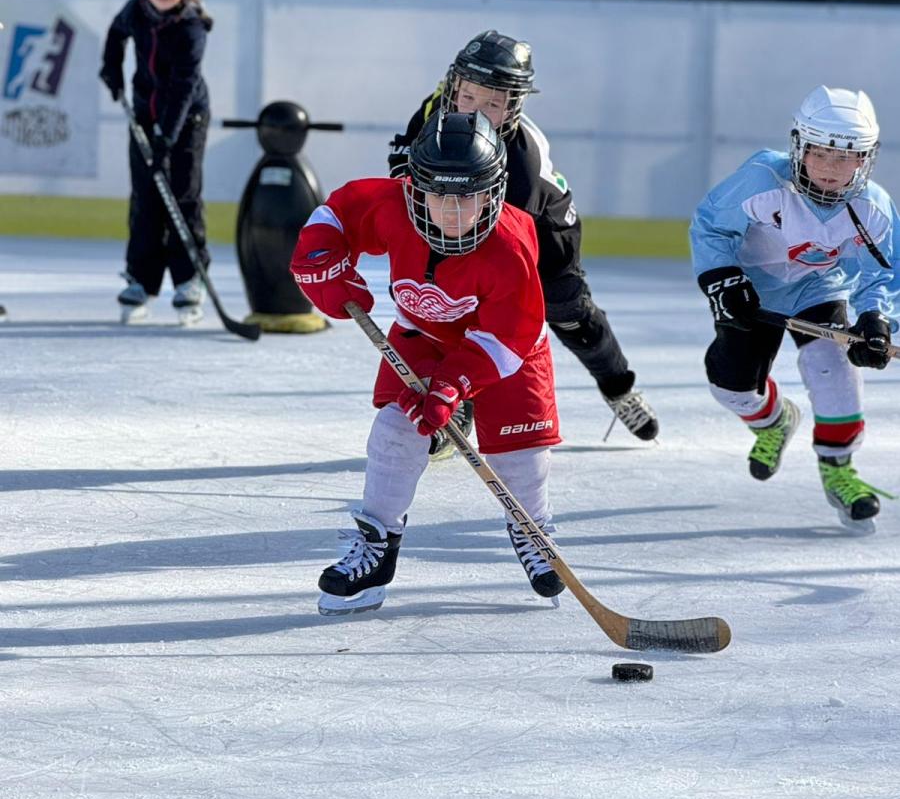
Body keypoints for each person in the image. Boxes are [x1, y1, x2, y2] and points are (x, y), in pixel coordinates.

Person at [290, 110, 565, 616]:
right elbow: (338, 212)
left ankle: (532, 528)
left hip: (503, 350)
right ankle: (376, 550)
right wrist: (319, 259)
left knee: (519, 451)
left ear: (494, 192)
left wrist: (452, 385)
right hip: (422, 335)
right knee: (396, 431)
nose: (455, 212)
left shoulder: (511, 244)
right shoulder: (392, 207)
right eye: (441, 196)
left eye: (469, 196)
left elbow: (511, 334)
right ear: (415, 189)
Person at [387, 30, 659, 457]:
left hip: (540, 230)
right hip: (461, 217)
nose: (477, 109)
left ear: (514, 105)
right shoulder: (434, 110)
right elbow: (402, 172)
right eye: (470, 95)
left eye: (494, 103)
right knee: (452, 298)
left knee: (570, 315)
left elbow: (500, 253)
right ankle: (461, 403)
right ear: (454, 85)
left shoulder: (524, 163)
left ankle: (617, 386)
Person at [690, 85, 897, 531]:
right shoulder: (761, 180)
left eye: (846, 157)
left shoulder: (874, 206)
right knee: (731, 387)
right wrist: (723, 278)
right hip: (752, 293)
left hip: (819, 290)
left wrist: (875, 319)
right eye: (821, 153)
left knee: (834, 367)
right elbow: (711, 227)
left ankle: (839, 467)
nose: (830, 168)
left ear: (865, 159)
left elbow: (884, 272)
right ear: (799, 147)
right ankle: (773, 421)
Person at [99, 0, 213, 325]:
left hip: (186, 121)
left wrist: (167, 134)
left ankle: (189, 280)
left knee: (181, 195)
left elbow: (183, 87)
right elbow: (116, 35)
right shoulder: (136, 11)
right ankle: (140, 281)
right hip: (145, 119)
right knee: (146, 198)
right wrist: (111, 68)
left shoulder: (192, 28)